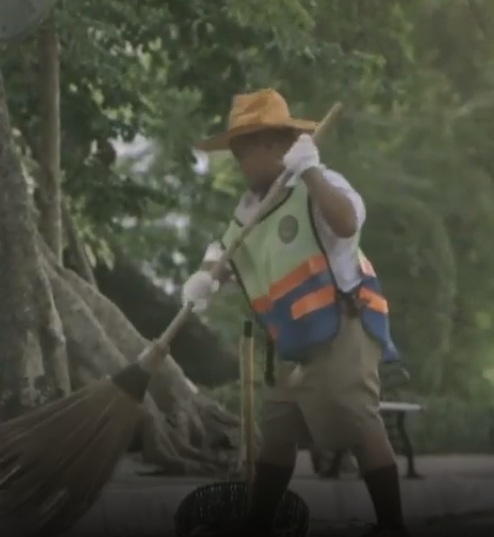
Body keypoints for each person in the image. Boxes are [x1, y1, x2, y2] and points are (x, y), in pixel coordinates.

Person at [182, 89, 408, 537]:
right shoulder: (250, 209)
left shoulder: (318, 184)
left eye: (247, 150)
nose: (240, 162)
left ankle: (392, 524)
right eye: (237, 152)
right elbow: (226, 251)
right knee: (279, 427)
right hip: (292, 339)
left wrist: (312, 172)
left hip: (341, 324)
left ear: (277, 146)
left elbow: (347, 222)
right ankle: (258, 524)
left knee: (358, 416)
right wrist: (206, 277)